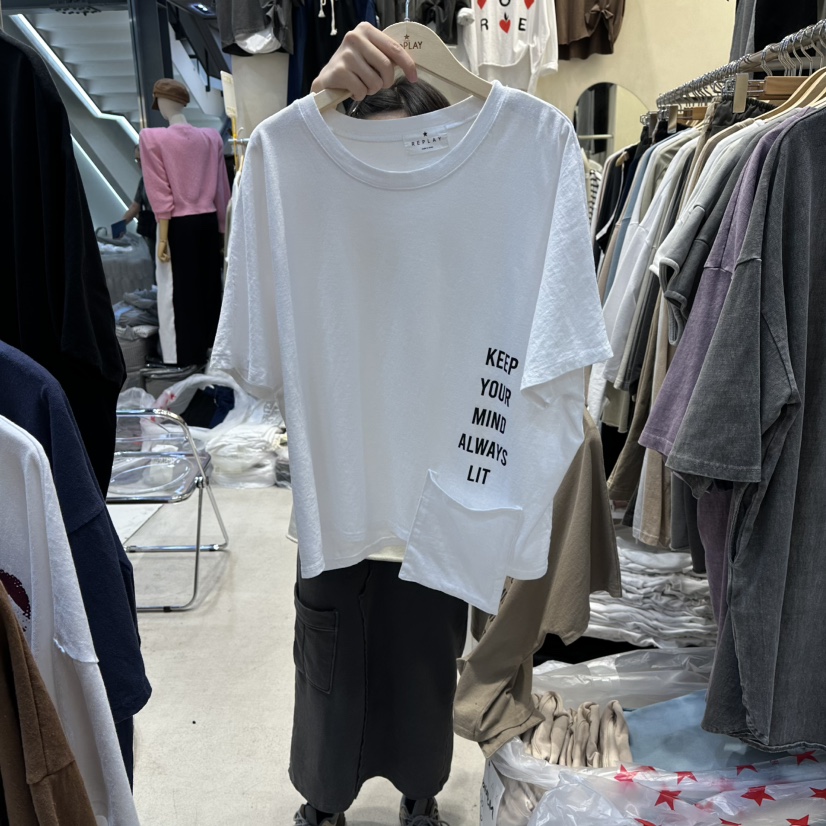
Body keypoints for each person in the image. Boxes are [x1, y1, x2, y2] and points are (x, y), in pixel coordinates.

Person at [292, 29, 467, 826]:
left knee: (425, 655)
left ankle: (420, 793)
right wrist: (314, 109)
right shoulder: (315, 212)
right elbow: (278, 199)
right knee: (329, 658)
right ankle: (323, 800)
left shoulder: (464, 221)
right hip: (338, 488)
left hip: (435, 492)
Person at [121, 144, 157, 260]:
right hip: (152, 231)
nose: (139, 164)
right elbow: (135, 206)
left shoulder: (165, 177)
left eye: (142, 160)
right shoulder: (144, 181)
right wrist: (119, 226)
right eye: (137, 160)